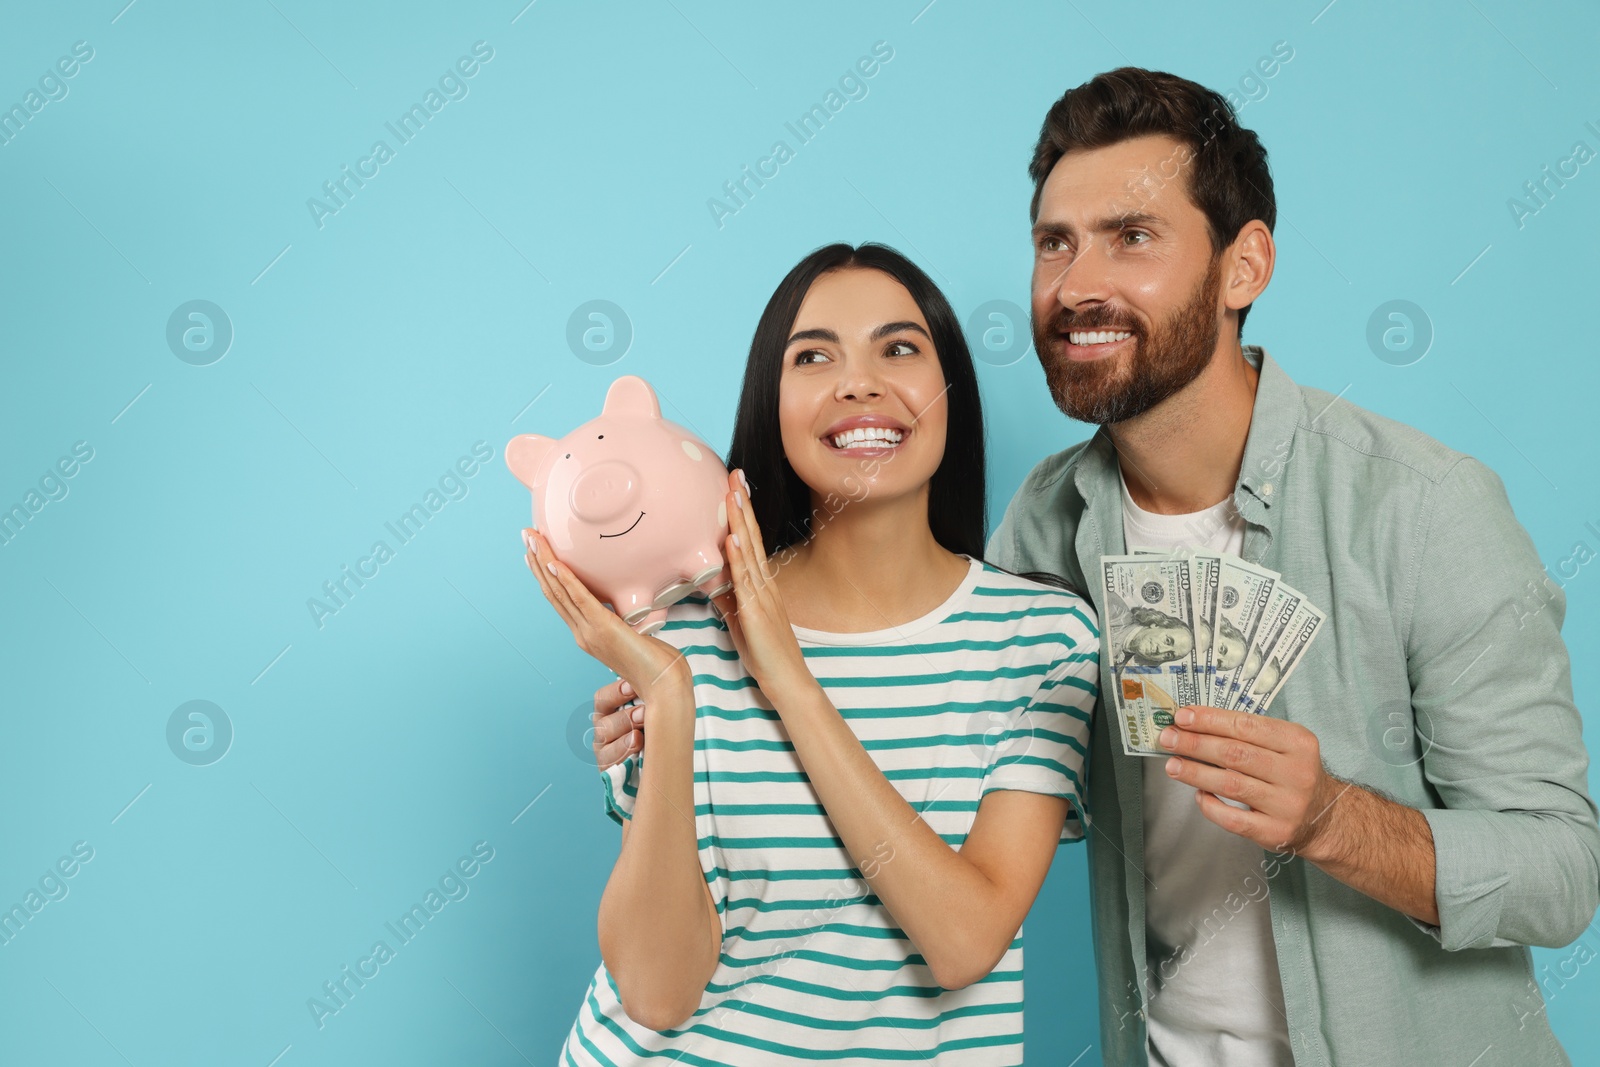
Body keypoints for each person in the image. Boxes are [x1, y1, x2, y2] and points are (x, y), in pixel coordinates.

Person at [982, 67, 1600, 1065]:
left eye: (1130, 237)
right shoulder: (1047, 522)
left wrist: (1332, 817)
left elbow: (1563, 868)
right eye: (1054, 242)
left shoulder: (1423, 506)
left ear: (1243, 267)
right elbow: (976, 776)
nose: (1075, 284)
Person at [531, 242, 1099, 1064]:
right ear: (773, 403)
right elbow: (658, 990)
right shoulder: (680, 633)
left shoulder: (1041, 641)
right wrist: (671, 696)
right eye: (813, 356)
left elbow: (963, 939)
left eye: (899, 347)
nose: (859, 381)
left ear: (952, 394)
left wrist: (787, 675)